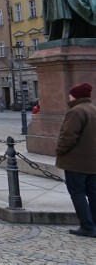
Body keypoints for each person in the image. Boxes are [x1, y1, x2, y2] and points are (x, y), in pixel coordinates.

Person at [56, 83, 96, 237]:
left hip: (77, 161)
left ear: (76, 95)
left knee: (77, 192)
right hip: (92, 161)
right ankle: (94, 224)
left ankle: (87, 226)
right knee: (93, 193)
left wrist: (59, 151)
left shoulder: (76, 111)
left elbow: (68, 137)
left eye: (71, 94)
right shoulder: (93, 109)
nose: (69, 97)